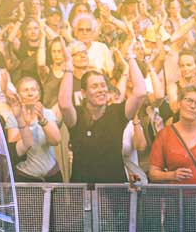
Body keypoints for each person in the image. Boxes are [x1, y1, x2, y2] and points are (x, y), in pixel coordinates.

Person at [58, 51, 147, 186]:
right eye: (94, 86)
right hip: (83, 190)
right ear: (84, 93)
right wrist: (69, 67)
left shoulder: (117, 113)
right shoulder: (77, 115)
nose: (101, 90)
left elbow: (140, 93)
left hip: (114, 190)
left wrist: (131, 57)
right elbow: (64, 105)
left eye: (103, 85)